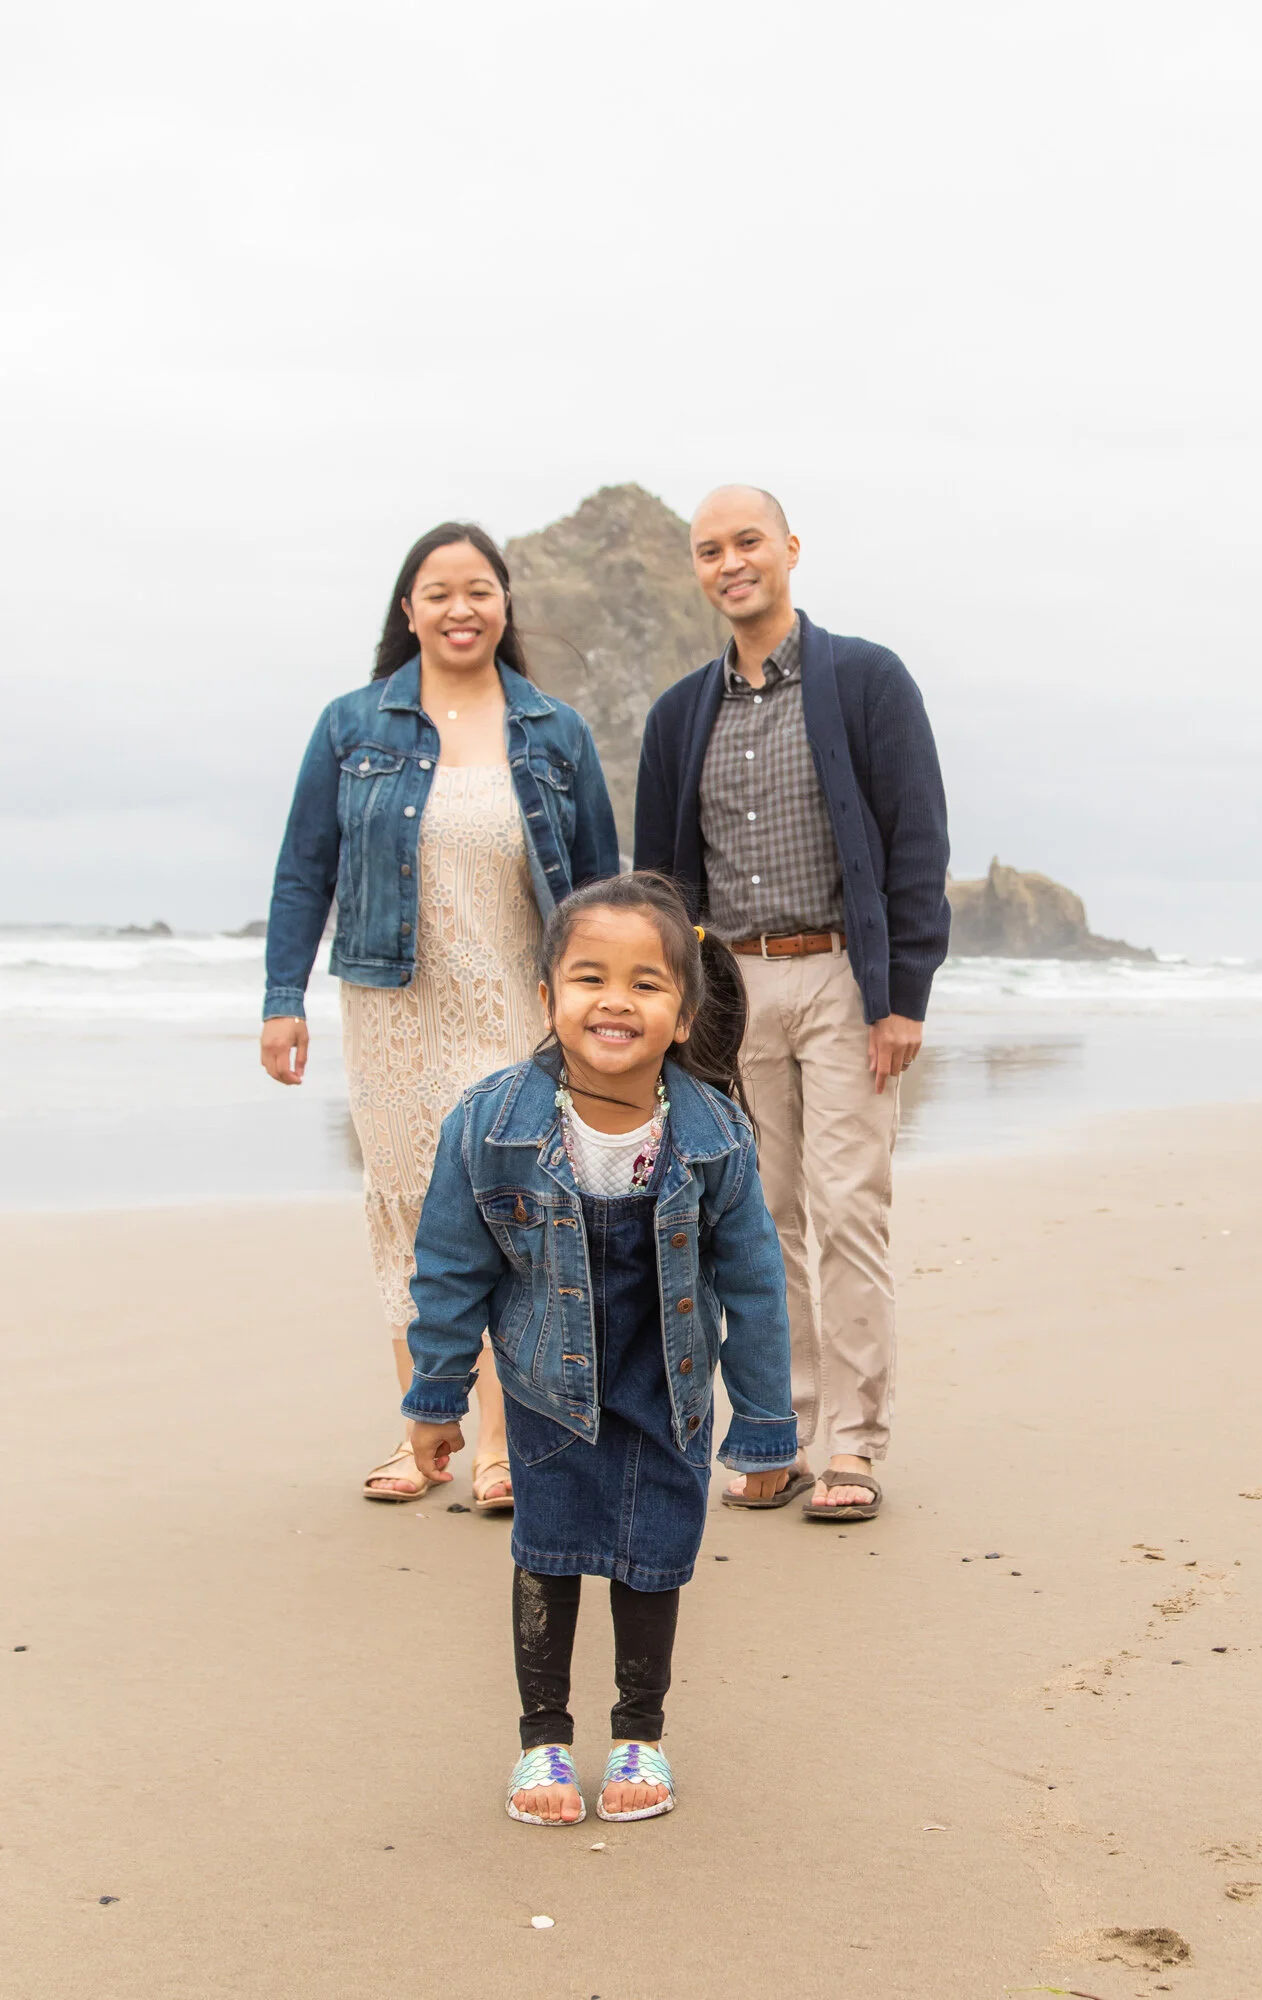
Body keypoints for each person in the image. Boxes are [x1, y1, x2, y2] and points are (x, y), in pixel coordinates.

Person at [402, 873, 796, 1824]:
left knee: (652, 1558)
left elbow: (753, 1287)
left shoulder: (713, 1136)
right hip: (545, 1382)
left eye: (645, 984)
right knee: (548, 1551)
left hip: (668, 1386)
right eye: (588, 978)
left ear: (683, 1011)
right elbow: (451, 1269)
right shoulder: (489, 1125)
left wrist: (766, 1429)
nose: (614, 1000)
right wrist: (434, 1399)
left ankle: (640, 1735)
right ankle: (542, 1744)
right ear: (547, 998)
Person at [261, 522, 620, 1504]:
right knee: (410, 1211)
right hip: (390, 1009)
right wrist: (281, 999)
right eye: (437, 591)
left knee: (511, 1213)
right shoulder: (351, 726)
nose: (460, 608)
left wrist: (605, 1010)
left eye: (479, 589)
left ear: (504, 605)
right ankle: (425, 1433)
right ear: (408, 610)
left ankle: (503, 1444)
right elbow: (303, 871)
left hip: (520, 1009)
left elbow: (599, 890)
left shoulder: (554, 731)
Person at [634, 486, 950, 1523]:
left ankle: (852, 1445)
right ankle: (778, 1436)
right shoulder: (683, 713)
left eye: (747, 541)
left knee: (848, 1207)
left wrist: (900, 995)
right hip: (729, 992)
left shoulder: (865, 679)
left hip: (841, 981)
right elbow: (658, 884)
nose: (730, 562)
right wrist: (668, 1012)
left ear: (789, 550)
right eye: (709, 549)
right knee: (756, 1227)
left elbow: (914, 844)